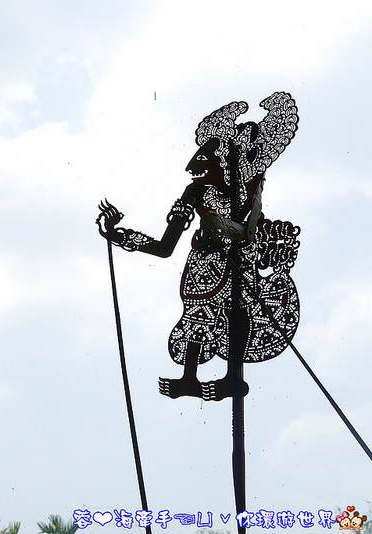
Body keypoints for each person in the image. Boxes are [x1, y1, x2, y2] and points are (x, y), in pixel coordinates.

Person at [97, 92, 300, 401]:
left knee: (239, 313)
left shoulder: (250, 188)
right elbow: (166, 247)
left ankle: (232, 377)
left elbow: (250, 228)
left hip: (239, 262)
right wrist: (120, 235)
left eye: (207, 157)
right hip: (204, 265)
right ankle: (189, 378)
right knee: (197, 315)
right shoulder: (195, 191)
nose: (194, 164)